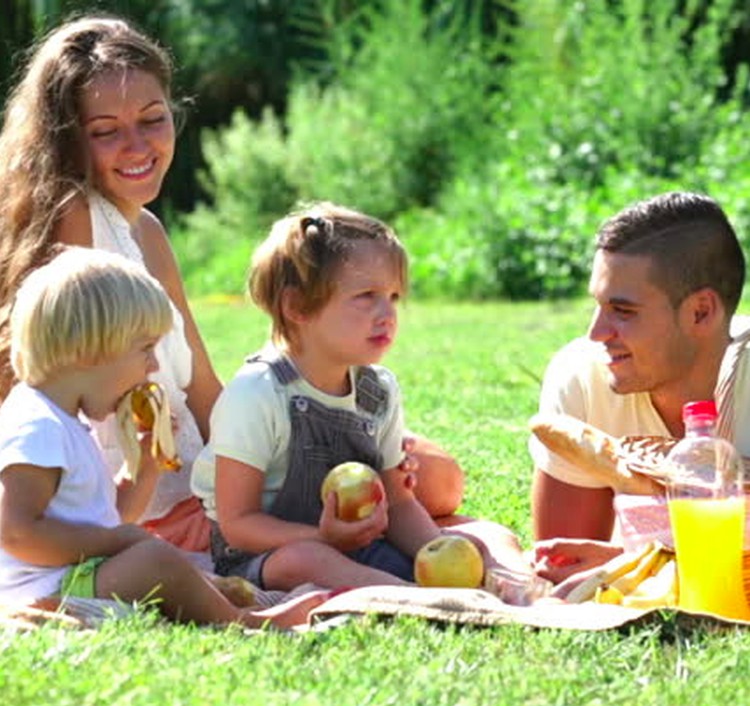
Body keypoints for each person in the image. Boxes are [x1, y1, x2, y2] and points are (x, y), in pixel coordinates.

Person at [0, 14, 463, 555]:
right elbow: (41, 381)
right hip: (159, 499)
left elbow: (201, 387)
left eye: (152, 119)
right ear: (66, 138)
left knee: (434, 474)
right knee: (415, 488)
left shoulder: (144, 229)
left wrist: (270, 441)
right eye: (105, 132)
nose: (137, 145)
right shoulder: (74, 218)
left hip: (207, 468)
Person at [191, 202, 534, 592]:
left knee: (474, 540)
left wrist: (437, 552)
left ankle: (422, 588)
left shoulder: (378, 391)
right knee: (308, 561)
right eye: (367, 295)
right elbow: (239, 525)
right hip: (264, 554)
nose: (387, 313)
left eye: (394, 296)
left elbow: (400, 504)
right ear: (297, 306)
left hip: (359, 545)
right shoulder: (257, 393)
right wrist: (324, 539)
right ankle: (402, 595)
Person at [0, 246, 327, 629]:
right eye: (144, 350)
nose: (154, 366)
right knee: (156, 561)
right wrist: (119, 543)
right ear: (90, 351)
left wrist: (147, 467)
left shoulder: (67, 422)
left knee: (163, 560)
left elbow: (110, 518)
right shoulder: (37, 425)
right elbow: (17, 532)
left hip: (77, 575)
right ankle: (247, 623)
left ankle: (213, 597)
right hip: (44, 589)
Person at [529, 191, 750, 585]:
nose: (596, 333)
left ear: (701, 312)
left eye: (623, 311)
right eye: (597, 305)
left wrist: (634, 560)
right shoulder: (583, 377)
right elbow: (562, 569)